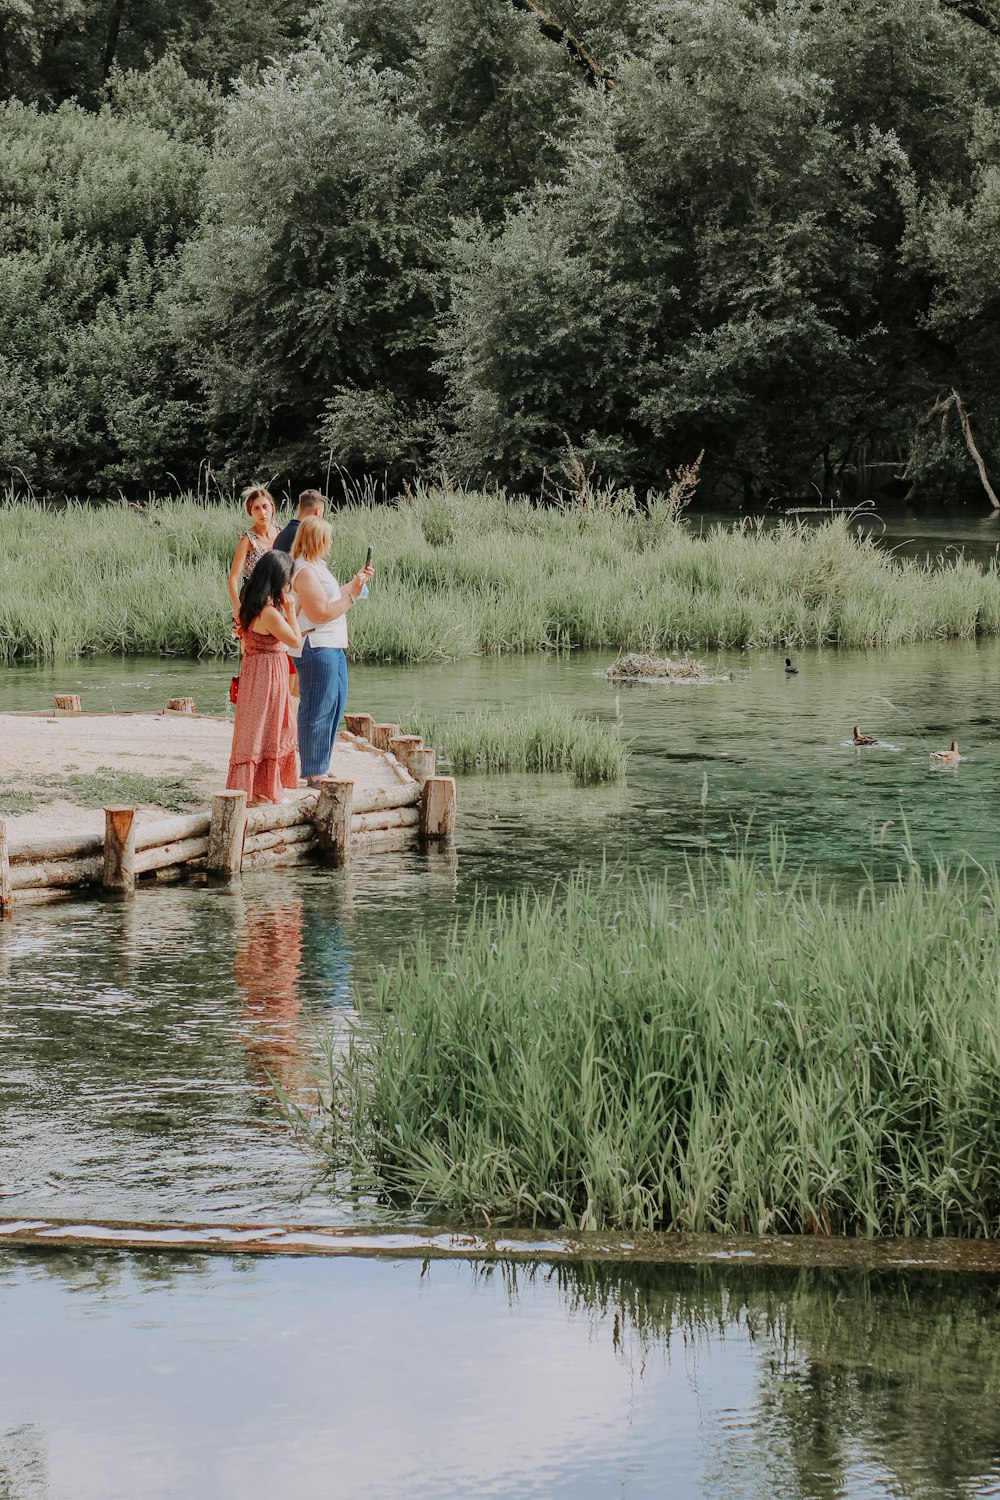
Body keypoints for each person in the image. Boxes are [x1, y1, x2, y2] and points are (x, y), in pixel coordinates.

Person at [290, 516, 373, 786]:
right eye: (328, 538)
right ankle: (314, 770)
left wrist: (355, 585)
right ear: (318, 540)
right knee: (317, 707)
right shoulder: (303, 571)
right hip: (316, 644)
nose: (332, 543)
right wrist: (351, 598)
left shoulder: (318, 567)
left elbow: (331, 595)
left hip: (333, 644)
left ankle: (321, 763)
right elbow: (321, 612)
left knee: (335, 704)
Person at [226, 549, 302, 805]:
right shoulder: (269, 612)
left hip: (254, 670)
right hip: (269, 672)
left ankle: (254, 788)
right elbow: (295, 641)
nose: (290, 584)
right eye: (287, 579)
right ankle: (266, 790)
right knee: (272, 727)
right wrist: (291, 611)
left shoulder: (248, 604)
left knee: (254, 728)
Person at [227, 485, 278, 634]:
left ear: (272, 508)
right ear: (250, 512)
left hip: (278, 594)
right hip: (254, 595)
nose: (262, 512)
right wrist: (237, 606)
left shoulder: (280, 533)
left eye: (265, 506)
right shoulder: (247, 539)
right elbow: (233, 578)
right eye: (256, 508)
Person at [273, 488, 326, 555]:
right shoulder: (307, 537)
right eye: (322, 514)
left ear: (298, 508)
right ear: (317, 512)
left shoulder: (281, 534)